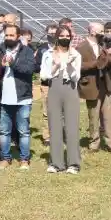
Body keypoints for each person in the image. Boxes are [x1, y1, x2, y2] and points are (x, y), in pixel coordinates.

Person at [40, 25, 82, 174]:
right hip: (54, 87)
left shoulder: (76, 54)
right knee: (54, 126)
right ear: (57, 37)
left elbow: (76, 77)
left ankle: (73, 163)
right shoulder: (48, 54)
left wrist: (70, 66)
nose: (65, 38)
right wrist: (55, 66)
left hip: (70, 88)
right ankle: (56, 163)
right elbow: (44, 76)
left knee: (71, 127)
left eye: (67, 36)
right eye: (62, 35)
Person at [0, 24, 37, 169]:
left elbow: (29, 69)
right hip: (4, 98)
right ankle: (5, 158)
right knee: (4, 131)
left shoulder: (27, 51)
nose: (8, 38)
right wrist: (1, 66)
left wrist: (13, 63)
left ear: (18, 36)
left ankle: (24, 159)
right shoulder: (0, 50)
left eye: (11, 35)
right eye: (6, 35)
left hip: (22, 98)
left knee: (23, 130)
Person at [76, 22, 111, 153]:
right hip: (91, 85)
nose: (104, 34)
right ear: (93, 32)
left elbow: (108, 62)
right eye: (101, 31)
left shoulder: (102, 45)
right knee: (93, 117)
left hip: (105, 84)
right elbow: (78, 66)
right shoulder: (81, 47)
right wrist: (96, 63)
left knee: (109, 116)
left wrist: (109, 57)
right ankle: (94, 143)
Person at [34, 24, 57, 144]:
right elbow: (36, 66)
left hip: (60, 83)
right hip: (46, 84)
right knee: (46, 111)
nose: (52, 35)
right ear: (46, 33)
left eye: (54, 33)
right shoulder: (42, 48)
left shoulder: (62, 47)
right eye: (50, 33)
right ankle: (46, 136)